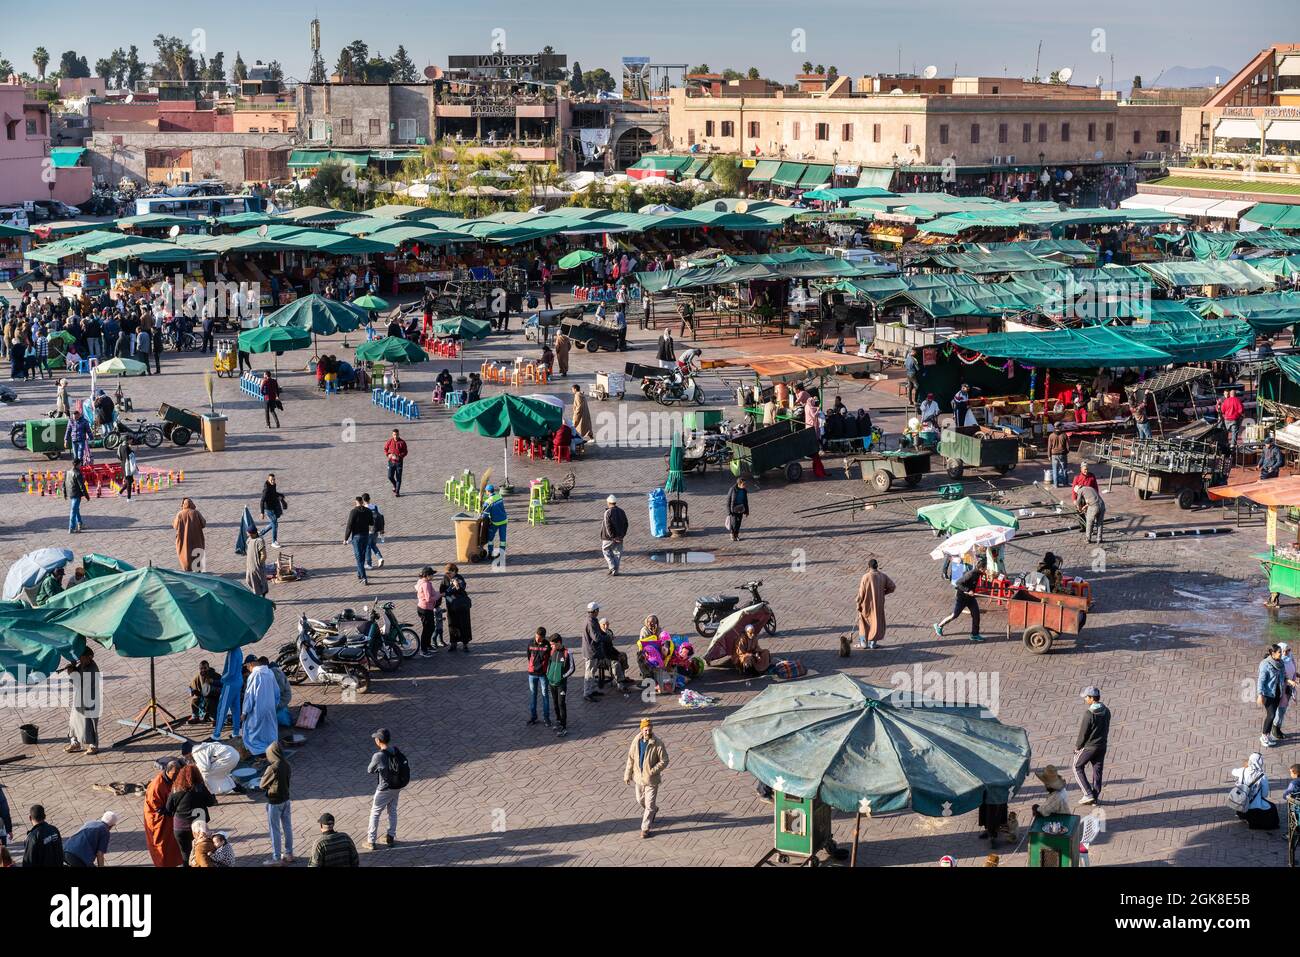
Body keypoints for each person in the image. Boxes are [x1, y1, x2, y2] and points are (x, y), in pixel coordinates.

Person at [623, 719, 669, 839]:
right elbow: (631, 758)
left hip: (651, 780)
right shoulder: (636, 741)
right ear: (641, 730)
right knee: (640, 800)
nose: (647, 731)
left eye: (649, 729)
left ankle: (645, 828)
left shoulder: (657, 743)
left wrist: (652, 771)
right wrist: (627, 775)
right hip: (638, 778)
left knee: (649, 804)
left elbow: (664, 760)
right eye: (645, 729)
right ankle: (654, 809)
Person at [165, 764, 214, 867]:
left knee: (185, 854)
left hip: (180, 828)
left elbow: (168, 809)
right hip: (198, 828)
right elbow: (210, 802)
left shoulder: (175, 789)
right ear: (197, 775)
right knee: (201, 852)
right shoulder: (200, 788)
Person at [365, 728, 406, 850]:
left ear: (378, 740)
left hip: (384, 788)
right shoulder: (395, 750)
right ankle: (390, 837)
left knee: (375, 812)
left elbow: (370, 770)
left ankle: (371, 841)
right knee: (392, 811)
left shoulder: (378, 756)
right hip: (397, 785)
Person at [933, 556, 985, 643]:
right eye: (985, 568)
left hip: (970, 598)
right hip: (961, 598)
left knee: (976, 614)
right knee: (955, 615)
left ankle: (974, 634)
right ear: (981, 568)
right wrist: (968, 590)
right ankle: (939, 625)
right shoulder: (970, 574)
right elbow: (958, 583)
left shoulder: (979, 573)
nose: (986, 570)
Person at [1074, 685, 1110, 806]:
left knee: (1077, 766)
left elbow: (1083, 734)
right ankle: (1095, 796)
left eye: (1086, 697)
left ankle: (1087, 794)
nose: (1085, 699)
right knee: (1097, 771)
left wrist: (1077, 747)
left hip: (1090, 747)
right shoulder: (1106, 711)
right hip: (1102, 746)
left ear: (1091, 698)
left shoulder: (1089, 714)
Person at [144, 761, 183, 867]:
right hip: (159, 821)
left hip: (169, 818)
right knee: (161, 846)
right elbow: (157, 808)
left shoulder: (172, 779)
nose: (176, 776)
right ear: (168, 771)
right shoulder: (156, 785)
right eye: (174, 774)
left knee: (173, 844)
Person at [261, 740, 293, 866]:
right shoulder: (286, 764)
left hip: (274, 802)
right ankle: (289, 853)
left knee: (275, 830)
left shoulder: (273, 767)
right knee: (287, 827)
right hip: (286, 799)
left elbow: (262, 784)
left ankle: (276, 858)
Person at [241, 658, 280, 758]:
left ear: (251, 664)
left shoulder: (254, 675)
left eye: (247, 666)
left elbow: (250, 696)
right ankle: (272, 749)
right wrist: (274, 705)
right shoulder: (270, 673)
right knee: (269, 729)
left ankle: (260, 752)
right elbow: (276, 692)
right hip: (270, 707)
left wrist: (245, 712)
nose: (248, 669)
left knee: (254, 730)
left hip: (258, 709)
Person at [65, 648, 101, 755]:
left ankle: (93, 745)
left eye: (82, 657)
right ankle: (74, 742)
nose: (80, 660)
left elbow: (79, 683)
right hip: (79, 698)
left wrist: (71, 672)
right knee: (73, 721)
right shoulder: (83, 665)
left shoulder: (92, 669)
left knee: (90, 723)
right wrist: (73, 667)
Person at [1230, 752, 1278, 830]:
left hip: (1240, 802)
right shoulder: (1262, 776)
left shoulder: (1242, 770)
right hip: (1253, 805)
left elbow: (1233, 771)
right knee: (1272, 807)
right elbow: (1265, 794)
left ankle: (1242, 816)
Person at [856, 558, 896, 650]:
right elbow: (892, 587)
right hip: (878, 604)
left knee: (864, 623)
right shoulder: (883, 576)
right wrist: (883, 593)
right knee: (876, 623)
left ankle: (863, 643)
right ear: (877, 566)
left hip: (866, 605)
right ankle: (873, 644)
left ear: (868, 566)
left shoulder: (866, 577)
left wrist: (858, 603)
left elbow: (861, 593)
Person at [210, 648, 243, 742]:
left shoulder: (232, 652)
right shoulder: (238, 650)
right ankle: (236, 732)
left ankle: (217, 734)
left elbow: (230, 672)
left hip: (230, 683)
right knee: (236, 708)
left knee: (222, 708)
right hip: (238, 681)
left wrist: (222, 679)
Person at [546, 634, 575, 737]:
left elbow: (572, 668)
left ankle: (564, 726)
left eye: (552, 644)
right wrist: (548, 675)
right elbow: (549, 664)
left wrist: (562, 676)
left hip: (561, 684)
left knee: (561, 703)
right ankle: (558, 721)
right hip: (552, 683)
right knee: (555, 703)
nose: (551, 646)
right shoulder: (552, 651)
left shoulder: (567, 653)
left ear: (559, 643)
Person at [1259, 644, 1286, 749]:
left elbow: (1283, 676)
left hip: (1277, 693)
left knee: (1273, 714)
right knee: (1271, 715)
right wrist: (1260, 694)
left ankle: (1267, 735)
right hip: (1268, 694)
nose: (1281, 654)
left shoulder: (1281, 663)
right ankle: (1263, 736)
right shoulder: (1265, 664)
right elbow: (1261, 680)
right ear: (1273, 653)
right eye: (1279, 652)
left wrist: (1289, 681)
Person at [441, 564, 473, 651]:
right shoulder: (445, 578)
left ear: (455, 571)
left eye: (449, 573)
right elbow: (442, 590)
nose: (448, 575)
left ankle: (465, 644)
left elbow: (461, 587)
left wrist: (456, 585)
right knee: (452, 624)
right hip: (451, 606)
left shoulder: (459, 578)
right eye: (446, 573)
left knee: (464, 623)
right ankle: (453, 643)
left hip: (461, 605)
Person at [344, 496, 375, 584]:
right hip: (365, 536)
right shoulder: (368, 511)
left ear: (356, 502)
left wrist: (345, 538)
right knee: (362, 555)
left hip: (356, 537)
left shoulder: (353, 511)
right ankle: (359, 573)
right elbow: (371, 523)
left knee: (359, 558)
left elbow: (349, 526)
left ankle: (364, 577)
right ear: (362, 502)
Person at [526, 627, 552, 725]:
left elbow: (549, 659)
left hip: (543, 675)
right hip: (532, 674)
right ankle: (533, 717)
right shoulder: (530, 643)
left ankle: (546, 718)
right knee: (533, 695)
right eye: (536, 636)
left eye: (539, 638)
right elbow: (529, 656)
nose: (537, 639)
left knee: (545, 695)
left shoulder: (547, 645)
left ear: (543, 637)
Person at [416, 566, 443, 657]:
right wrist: (438, 596)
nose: (433, 576)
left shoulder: (423, 582)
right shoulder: (426, 584)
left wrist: (440, 593)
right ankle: (423, 650)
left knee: (430, 627)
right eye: (432, 575)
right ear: (427, 575)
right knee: (427, 629)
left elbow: (433, 593)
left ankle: (427, 645)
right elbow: (428, 599)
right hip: (425, 609)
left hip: (424, 608)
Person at [172, 497, 206, 571]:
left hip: (183, 539)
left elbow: (175, 526)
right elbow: (203, 523)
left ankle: (187, 569)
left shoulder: (180, 514)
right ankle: (198, 570)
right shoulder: (196, 512)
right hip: (196, 538)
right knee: (197, 553)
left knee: (185, 554)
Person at [1272, 642, 1297, 740]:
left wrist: (1296, 675)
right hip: (1282, 688)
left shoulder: (1290, 657)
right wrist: (1289, 681)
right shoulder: (1279, 661)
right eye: (1284, 651)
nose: (1286, 653)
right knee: (1281, 708)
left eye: (1288, 650)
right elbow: (1280, 676)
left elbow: (1293, 669)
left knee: (1284, 708)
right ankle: (1275, 729)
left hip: (1289, 687)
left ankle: (1277, 727)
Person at [601, 494, 628, 575]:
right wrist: (622, 535)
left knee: (606, 550)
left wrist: (613, 537)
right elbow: (626, 524)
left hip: (608, 538)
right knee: (617, 553)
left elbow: (607, 525)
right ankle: (615, 571)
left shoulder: (607, 512)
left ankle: (612, 566)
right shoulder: (622, 511)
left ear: (608, 503)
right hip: (620, 536)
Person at [260, 473, 286, 547]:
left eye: (274, 479)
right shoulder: (266, 489)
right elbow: (262, 501)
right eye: (271, 480)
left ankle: (260, 533)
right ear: (268, 479)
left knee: (273, 523)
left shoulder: (273, 485)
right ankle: (274, 542)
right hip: (268, 509)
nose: (273, 481)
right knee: (275, 524)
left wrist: (280, 494)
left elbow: (273, 493)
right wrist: (262, 513)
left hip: (273, 507)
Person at [483, 484, 508, 559]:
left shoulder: (488, 501)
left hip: (495, 522)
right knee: (502, 539)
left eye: (486, 491)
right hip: (504, 520)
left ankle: (490, 553)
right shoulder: (500, 496)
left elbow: (485, 515)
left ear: (487, 491)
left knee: (490, 538)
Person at [362, 493, 385, 569]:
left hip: (367, 530)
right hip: (376, 529)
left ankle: (369, 564)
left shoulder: (363, 508)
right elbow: (382, 517)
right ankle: (380, 558)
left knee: (368, 546)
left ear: (363, 500)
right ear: (369, 499)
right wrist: (382, 530)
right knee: (373, 545)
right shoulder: (375, 507)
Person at [65, 463, 88, 534]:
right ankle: (71, 528)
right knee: (73, 511)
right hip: (76, 494)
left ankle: (80, 523)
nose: (81, 466)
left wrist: (65, 493)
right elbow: (82, 486)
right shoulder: (78, 473)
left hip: (71, 493)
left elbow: (64, 483)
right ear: (78, 465)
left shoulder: (68, 472)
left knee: (76, 509)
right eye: (80, 464)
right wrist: (86, 495)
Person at [384, 428, 408, 496]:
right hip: (391, 462)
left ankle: (397, 492)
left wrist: (399, 456)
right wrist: (388, 454)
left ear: (398, 434)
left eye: (397, 434)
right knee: (390, 476)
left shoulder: (402, 442)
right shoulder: (390, 441)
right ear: (392, 435)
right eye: (394, 434)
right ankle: (395, 485)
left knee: (398, 477)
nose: (395, 436)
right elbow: (385, 449)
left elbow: (405, 452)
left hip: (399, 463)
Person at [726, 478, 750, 542]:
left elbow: (745, 501)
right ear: (739, 484)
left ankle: (736, 535)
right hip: (733, 509)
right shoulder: (733, 489)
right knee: (734, 523)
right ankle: (732, 534)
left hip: (741, 508)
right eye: (744, 484)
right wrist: (729, 511)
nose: (745, 485)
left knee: (739, 522)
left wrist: (747, 511)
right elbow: (728, 501)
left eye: (745, 484)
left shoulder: (744, 490)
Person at [1047, 423, 1069, 487]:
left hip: (1054, 455)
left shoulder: (1051, 436)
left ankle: (1056, 485)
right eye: (1061, 426)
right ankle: (1065, 483)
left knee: (1055, 470)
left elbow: (1049, 447)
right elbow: (1068, 447)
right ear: (1059, 427)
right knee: (1064, 469)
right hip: (1063, 454)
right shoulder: (1064, 435)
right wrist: (1065, 452)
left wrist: (1049, 455)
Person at [116, 435, 138, 500]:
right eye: (131, 439)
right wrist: (133, 451)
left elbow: (118, 456)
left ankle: (120, 492)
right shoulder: (126, 447)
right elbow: (129, 457)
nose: (132, 440)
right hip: (127, 465)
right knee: (129, 481)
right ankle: (129, 498)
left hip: (123, 464)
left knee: (130, 480)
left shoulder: (120, 446)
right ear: (127, 440)